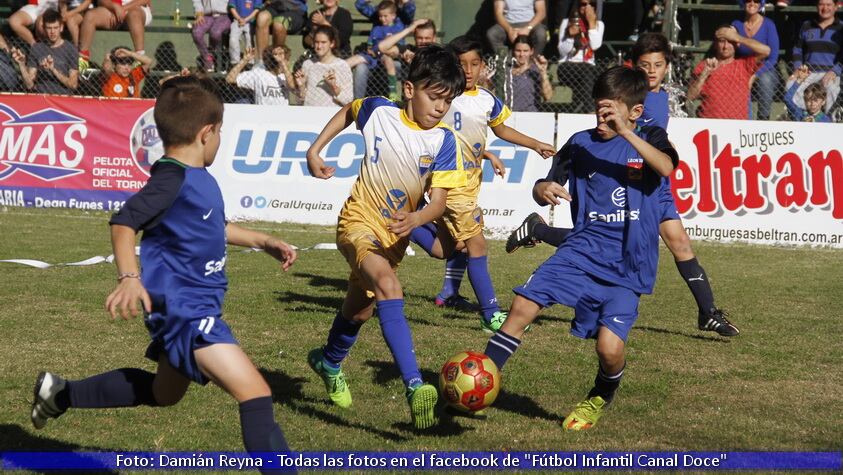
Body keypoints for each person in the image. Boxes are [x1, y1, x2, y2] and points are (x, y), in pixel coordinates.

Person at [29, 76, 296, 463]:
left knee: (162, 394)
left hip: (190, 308)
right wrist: (129, 278)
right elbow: (124, 221)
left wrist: (261, 240)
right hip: (188, 311)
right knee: (256, 395)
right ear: (207, 133)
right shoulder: (171, 178)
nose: (219, 141)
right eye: (220, 133)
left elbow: (211, 226)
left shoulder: (195, 179)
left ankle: (60, 393)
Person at [484, 66, 678, 431]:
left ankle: (598, 398)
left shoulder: (651, 135)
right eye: (599, 109)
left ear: (634, 112)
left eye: (611, 111)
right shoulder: (579, 142)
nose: (602, 118)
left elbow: (665, 168)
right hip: (579, 252)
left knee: (608, 349)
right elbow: (545, 184)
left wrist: (626, 132)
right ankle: (481, 381)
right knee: (523, 306)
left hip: (627, 265)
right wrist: (541, 189)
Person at [507, 33, 740, 337]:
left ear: (666, 67)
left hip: (650, 179)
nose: (651, 71)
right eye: (645, 65)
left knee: (678, 243)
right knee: (603, 237)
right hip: (620, 178)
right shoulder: (623, 93)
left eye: (657, 65)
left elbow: (660, 145)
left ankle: (708, 312)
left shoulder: (659, 97)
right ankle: (538, 230)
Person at [304, 45, 466, 430]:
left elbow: (438, 202)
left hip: (395, 236)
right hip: (358, 223)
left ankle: (328, 361)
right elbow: (348, 110)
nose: (441, 108)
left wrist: (418, 218)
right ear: (410, 89)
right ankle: (415, 387)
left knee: (359, 309)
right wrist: (315, 150)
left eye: (448, 101)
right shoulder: (379, 111)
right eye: (435, 97)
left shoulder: (444, 143)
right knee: (391, 288)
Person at [408, 36, 554, 331]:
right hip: (450, 183)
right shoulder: (444, 98)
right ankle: (491, 314)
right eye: (462, 64)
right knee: (477, 246)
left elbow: (500, 130)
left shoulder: (487, 99)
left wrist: (532, 144)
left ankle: (409, 228)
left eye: (474, 63)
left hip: (471, 181)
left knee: (449, 249)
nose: (469, 69)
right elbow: (435, 135)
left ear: (483, 66)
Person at [687, 25, 771, 119]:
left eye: (730, 41)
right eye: (722, 41)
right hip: (710, 125)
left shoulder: (744, 65)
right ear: (715, 44)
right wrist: (704, 75)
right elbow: (690, 96)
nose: (725, 46)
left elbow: (766, 51)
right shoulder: (704, 65)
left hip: (737, 127)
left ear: (737, 44)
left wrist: (738, 37)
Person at [788, 0, 842, 114]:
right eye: (821, 4)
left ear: (836, 7)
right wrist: (798, 68)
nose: (825, 8)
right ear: (817, 6)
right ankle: (804, 118)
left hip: (829, 73)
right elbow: (798, 49)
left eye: (828, 5)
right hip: (808, 72)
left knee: (832, 90)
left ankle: (827, 123)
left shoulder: (841, 28)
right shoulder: (807, 25)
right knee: (790, 86)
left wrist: (835, 71)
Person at [731, 0, 780, 120]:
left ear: (761, 4)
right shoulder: (736, 24)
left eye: (756, 1)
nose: (752, 3)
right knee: (738, 79)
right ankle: (746, 119)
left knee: (766, 80)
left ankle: (763, 119)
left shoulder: (769, 24)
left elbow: (773, 58)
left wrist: (755, 75)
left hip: (764, 66)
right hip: (743, 66)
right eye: (748, 0)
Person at [346, 0, 405, 101]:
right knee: (352, 61)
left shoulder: (397, 28)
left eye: (385, 16)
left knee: (388, 62)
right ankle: (333, 74)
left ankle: (393, 92)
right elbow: (370, 43)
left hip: (386, 55)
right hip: (372, 55)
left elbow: (398, 47)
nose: (382, 19)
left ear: (393, 16)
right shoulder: (377, 28)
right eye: (380, 16)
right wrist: (369, 49)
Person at [10, 9, 79, 95]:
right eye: (49, 28)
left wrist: (53, 70)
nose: (52, 32)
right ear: (44, 28)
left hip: (62, 98)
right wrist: (22, 65)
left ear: (61, 28)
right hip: (41, 98)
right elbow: (29, 85)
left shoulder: (70, 49)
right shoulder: (37, 48)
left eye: (55, 28)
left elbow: (73, 84)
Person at [77, 0, 152, 72]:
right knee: (90, 15)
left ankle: (139, 57)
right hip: (114, 10)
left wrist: (122, 9)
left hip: (137, 9)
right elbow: (101, 1)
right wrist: (114, 7)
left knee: (133, 14)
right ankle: (83, 58)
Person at [556, 0, 603, 113]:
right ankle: (590, 110)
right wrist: (570, 37)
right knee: (587, 71)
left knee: (592, 72)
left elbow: (595, 45)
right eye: (583, 4)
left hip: (589, 68)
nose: (587, 7)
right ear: (577, 6)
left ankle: (583, 109)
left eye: (591, 4)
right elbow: (562, 52)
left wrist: (591, 24)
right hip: (567, 66)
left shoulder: (598, 24)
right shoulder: (566, 22)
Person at [294, 25, 353, 106]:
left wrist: (334, 87)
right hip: (310, 113)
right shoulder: (308, 64)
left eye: (323, 42)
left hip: (332, 115)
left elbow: (349, 100)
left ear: (332, 43)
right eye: (316, 42)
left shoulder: (342, 66)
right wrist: (301, 86)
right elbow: (299, 102)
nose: (319, 46)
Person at [226, 46, 293, 105]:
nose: (287, 63)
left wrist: (282, 64)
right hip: (262, 115)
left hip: (283, 116)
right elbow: (230, 79)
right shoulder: (259, 74)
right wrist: (245, 60)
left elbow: (293, 87)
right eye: (286, 60)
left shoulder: (286, 76)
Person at [504, 35, 553, 111]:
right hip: (508, 114)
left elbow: (548, 96)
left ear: (531, 51)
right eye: (518, 51)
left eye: (525, 51)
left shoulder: (535, 70)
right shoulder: (505, 70)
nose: (522, 55)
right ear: (513, 51)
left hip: (529, 115)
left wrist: (543, 73)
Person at [191, 0, 231, 72]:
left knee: (215, 33)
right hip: (206, 15)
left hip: (225, 15)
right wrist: (199, 14)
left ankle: (218, 58)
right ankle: (208, 59)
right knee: (197, 33)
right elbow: (197, 1)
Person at [229, 0, 263, 65]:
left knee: (249, 39)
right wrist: (239, 18)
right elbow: (232, 8)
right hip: (237, 20)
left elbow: (256, 10)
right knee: (233, 39)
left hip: (250, 21)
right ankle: (235, 62)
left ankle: (250, 62)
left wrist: (246, 19)